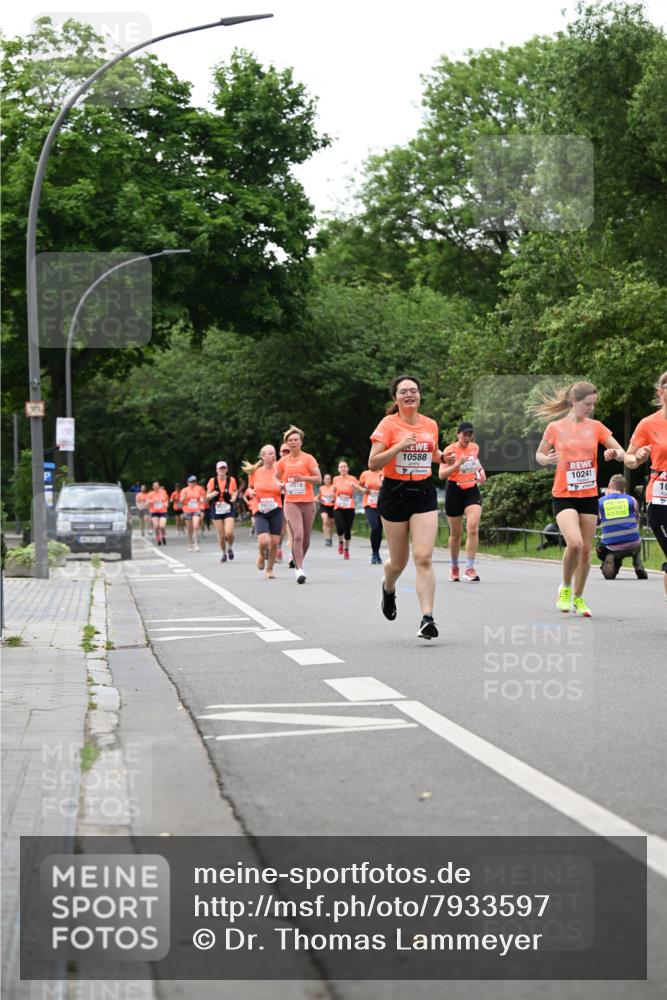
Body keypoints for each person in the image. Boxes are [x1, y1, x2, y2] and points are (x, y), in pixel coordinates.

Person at [534, 380, 625, 617]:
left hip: (588, 494)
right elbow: (539, 454)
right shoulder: (555, 427)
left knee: (585, 550)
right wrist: (547, 459)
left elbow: (622, 451)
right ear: (574, 401)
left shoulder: (596, 427)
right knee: (574, 543)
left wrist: (613, 452)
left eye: (594, 404)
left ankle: (579, 597)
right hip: (563, 494)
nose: (591, 408)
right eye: (587, 404)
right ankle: (564, 588)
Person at [369, 375, 443, 639]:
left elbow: (430, 452)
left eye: (414, 391)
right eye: (404, 392)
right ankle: (388, 587)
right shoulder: (388, 425)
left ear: (420, 395)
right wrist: (399, 445)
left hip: (423, 493)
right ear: (395, 398)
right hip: (395, 493)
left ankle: (427, 618)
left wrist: (443, 456)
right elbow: (373, 462)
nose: (409, 395)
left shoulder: (430, 424)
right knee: (398, 562)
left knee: (423, 557)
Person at [624, 370, 667, 601]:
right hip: (661, 499)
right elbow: (628, 459)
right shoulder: (648, 424)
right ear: (661, 392)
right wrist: (638, 457)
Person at [439, 421, 486, 581]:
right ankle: (454, 567)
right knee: (456, 534)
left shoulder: (475, 447)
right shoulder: (449, 450)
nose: (467, 437)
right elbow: (442, 474)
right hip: (454, 490)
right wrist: (458, 464)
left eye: (470, 434)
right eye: (464, 434)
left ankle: (470, 568)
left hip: (471, 490)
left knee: (472, 528)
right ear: (458, 434)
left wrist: (481, 472)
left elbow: (476, 464)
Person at [276, 425, 322, 584]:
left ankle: (299, 559)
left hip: (308, 502)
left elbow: (318, 478)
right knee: (298, 535)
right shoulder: (282, 462)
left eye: (296, 440)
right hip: (291, 503)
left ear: (301, 442)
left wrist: (302, 478)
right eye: (290, 440)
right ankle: (299, 569)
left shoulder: (308, 459)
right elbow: (276, 478)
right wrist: (280, 485)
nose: (293, 442)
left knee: (306, 539)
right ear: (286, 444)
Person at [243, 445, 283, 579]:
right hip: (260, 509)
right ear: (263, 457)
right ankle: (261, 554)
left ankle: (269, 569)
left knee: (275, 542)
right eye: (270, 453)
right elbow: (248, 489)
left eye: (274, 453)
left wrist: (284, 488)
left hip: (276, 508)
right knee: (264, 541)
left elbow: (285, 485)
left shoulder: (280, 470)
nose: (273, 455)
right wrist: (251, 491)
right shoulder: (256, 472)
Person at [596, 475, 646, 579]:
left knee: (599, 548)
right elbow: (637, 519)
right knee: (637, 538)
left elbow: (596, 522)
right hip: (633, 544)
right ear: (624, 489)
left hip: (611, 546)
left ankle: (611, 561)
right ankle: (638, 564)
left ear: (609, 486)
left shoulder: (601, 502)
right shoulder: (632, 500)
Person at [206, 461, 238, 563]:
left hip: (228, 508)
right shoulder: (212, 481)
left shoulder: (231, 480)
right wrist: (212, 495)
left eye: (224, 468)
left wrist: (234, 497)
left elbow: (235, 491)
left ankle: (230, 548)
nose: (222, 470)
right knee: (221, 535)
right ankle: (224, 553)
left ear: (227, 470)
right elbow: (206, 497)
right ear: (217, 470)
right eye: (220, 468)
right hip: (216, 509)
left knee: (229, 533)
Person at [332, 461, 362, 559]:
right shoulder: (335, 479)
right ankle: (341, 542)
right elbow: (333, 491)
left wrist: (355, 487)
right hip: (338, 506)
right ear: (338, 469)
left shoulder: (352, 478)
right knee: (340, 527)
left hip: (349, 506)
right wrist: (333, 491)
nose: (343, 468)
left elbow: (359, 490)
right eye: (341, 467)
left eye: (345, 466)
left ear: (348, 468)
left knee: (348, 530)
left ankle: (346, 550)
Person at [359, 467, 383, 564]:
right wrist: (363, 490)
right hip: (369, 504)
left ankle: (377, 553)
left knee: (379, 530)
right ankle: (374, 553)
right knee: (375, 527)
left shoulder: (384, 473)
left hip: (382, 505)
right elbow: (359, 485)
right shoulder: (365, 474)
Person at [180, 475, 206, 551]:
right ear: (188, 482)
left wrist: (202, 509)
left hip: (196, 510)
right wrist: (184, 497)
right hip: (187, 510)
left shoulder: (199, 489)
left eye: (194, 481)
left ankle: (196, 544)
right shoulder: (184, 490)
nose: (193, 483)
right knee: (189, 529)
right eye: (191, 482)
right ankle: (190, 544)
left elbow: (202, 500)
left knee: (196, 526)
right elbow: (181, 501)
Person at [148, 480, 169, 546]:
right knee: (156, 526)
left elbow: (166, 500)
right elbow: (147, 503)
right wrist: (151, 501)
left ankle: (163, 536)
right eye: (155, 486)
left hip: (163, 511)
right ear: (152, 487)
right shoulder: (150, 494)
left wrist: (166, 504)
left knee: (162, 526)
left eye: (157, 485)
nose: (156, 487)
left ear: (159, 486)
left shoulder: (163, 492)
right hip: (154, 511)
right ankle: (158, 539)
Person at [318, 473, 336, 546]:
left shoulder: (334, 487)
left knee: (331, 523)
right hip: (324, 506)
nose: (327, 480)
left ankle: (330, 538)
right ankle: (327, 539)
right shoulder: (321, 488)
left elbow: (338, 495)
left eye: (328, 479)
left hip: (332, 506)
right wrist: (316, 498)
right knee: (325, 521)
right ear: (323, 480)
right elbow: (319, 496)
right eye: (326, 479)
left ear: (330, 480)